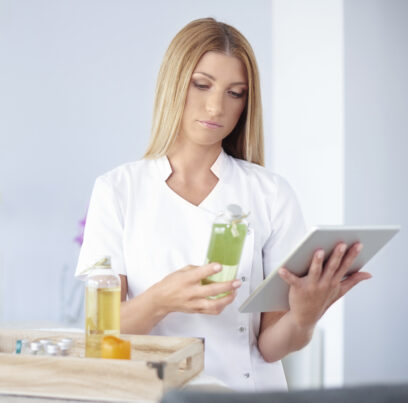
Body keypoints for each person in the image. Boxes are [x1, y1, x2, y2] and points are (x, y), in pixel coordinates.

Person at [75, 17, 371, 391]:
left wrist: (304, 317)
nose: (216, 106)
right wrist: (162, 300)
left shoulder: (270, 193)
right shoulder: (118, 190)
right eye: (202, 85)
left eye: (235, 93)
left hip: (248, 392)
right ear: (173, 83)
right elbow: (100, 337)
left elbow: (270, 345)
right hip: (157, 393)